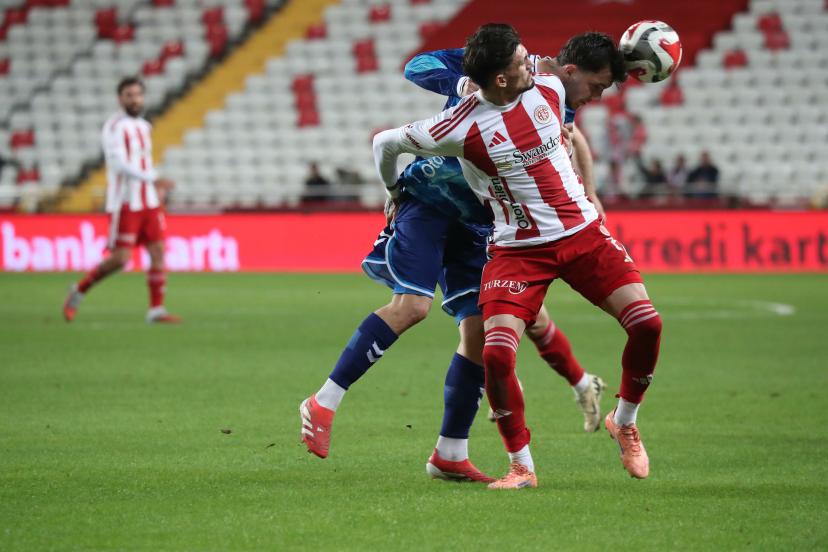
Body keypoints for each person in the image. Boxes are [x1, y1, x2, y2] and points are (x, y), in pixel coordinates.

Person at [298, 44, 607, 484]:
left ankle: (450, 453)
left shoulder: (547, 92)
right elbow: (416, 66)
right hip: (428, 200)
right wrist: (459, 83)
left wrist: (589, 191)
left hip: (478, 222)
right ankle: (323, 401)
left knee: (480, 332)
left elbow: (572, 139)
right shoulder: (486, 68)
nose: (525, 65)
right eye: (596, 86)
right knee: (412, 306)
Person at [373, 25, 663, 488]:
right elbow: (385, 142)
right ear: (501, 77)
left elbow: (574, 83)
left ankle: (624, 420)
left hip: (581, 234)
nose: (532, 62)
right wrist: (393, 190)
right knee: (496, 352)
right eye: (521, 59)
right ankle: (522, 467)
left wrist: (626, 59)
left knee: (647, 323)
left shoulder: (550, 86)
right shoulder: (460, 124)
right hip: (517, 248)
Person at [62, 77, 180, 324]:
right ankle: (79, 290)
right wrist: (153, 177)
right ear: (120, 99)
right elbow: (118, 164)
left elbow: (142, 162)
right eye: (129, 95)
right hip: (125, 202)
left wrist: (153, 186)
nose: (135, 99)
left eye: (138, 95)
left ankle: (156, 310)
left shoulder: (145, 127)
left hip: (149, 201)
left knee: (158, 251)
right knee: (121, 259)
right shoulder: (114, 127)